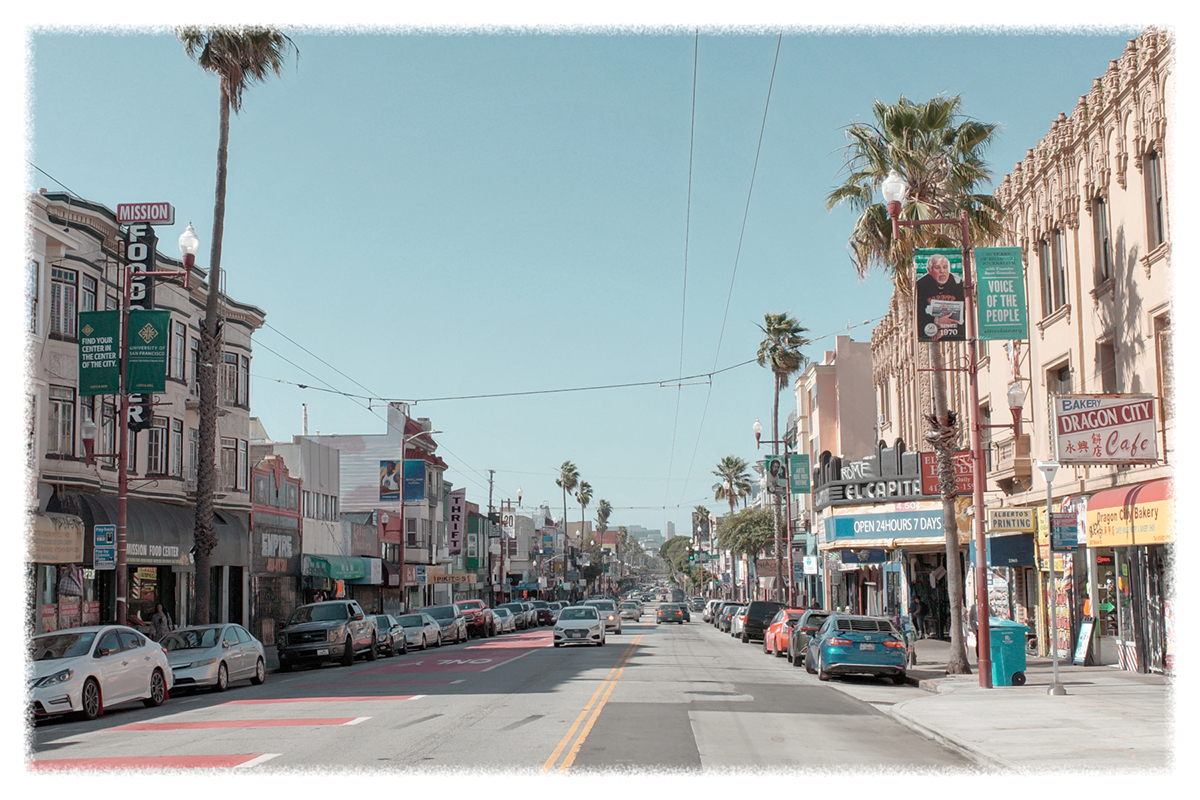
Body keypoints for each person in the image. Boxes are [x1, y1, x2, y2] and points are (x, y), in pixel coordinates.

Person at [915, 253, 965, 342]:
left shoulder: (958, 283)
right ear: (929, 270)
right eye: (937, 268)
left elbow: (965, 313)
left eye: (945, 267)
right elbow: (919, 314)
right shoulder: (921, 286)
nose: (942, 271)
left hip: (956, 334)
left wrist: (944, 330)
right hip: (930, 333)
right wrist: (936, 320)